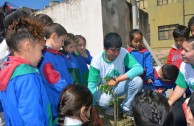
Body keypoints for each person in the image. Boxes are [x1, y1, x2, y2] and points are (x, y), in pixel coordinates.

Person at [0, 15, 52, 126]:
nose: (42, 55)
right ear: (27, 46)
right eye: (41, 50)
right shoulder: (27, 77)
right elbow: (33, 118)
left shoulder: (8, 71)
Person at [88, 32, 143, 125]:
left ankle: (125, 108)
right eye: (113, 50)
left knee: (137, 81)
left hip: (118, 85)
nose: (116, 53)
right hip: (103, 88)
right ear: (105, 48)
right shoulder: (96, 61)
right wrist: (93, 108)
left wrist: (117, 79)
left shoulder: (123, 52)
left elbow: (139, 68)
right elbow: (91, 86)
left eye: (118, 49)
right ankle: (104, 107)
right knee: (105, 100)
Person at [38, 23, 73, 119]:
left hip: (65, 98)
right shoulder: (44, 56)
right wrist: (69, 90)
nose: (62, 45)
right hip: (55, 101)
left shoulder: (58, 55)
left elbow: (67, 74)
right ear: (54, 36)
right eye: (62, 41)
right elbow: (52, 78)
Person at [168, 36, 194, 126]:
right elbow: (181, 86)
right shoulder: (185, 65)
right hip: (192, 99)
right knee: (173, 116)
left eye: (186, 51)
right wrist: (170, 102)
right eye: (183, 49)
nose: (182, 52)